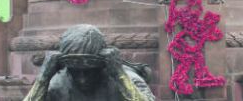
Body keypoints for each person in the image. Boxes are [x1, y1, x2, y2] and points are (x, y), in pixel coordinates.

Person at [23, 24, 154, 101]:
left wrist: (120, 76)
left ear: (103, 65)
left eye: (89, 72)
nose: (82, 80)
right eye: (75, 72)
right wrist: (43, 79)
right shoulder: (57, 85)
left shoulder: (127, 80)